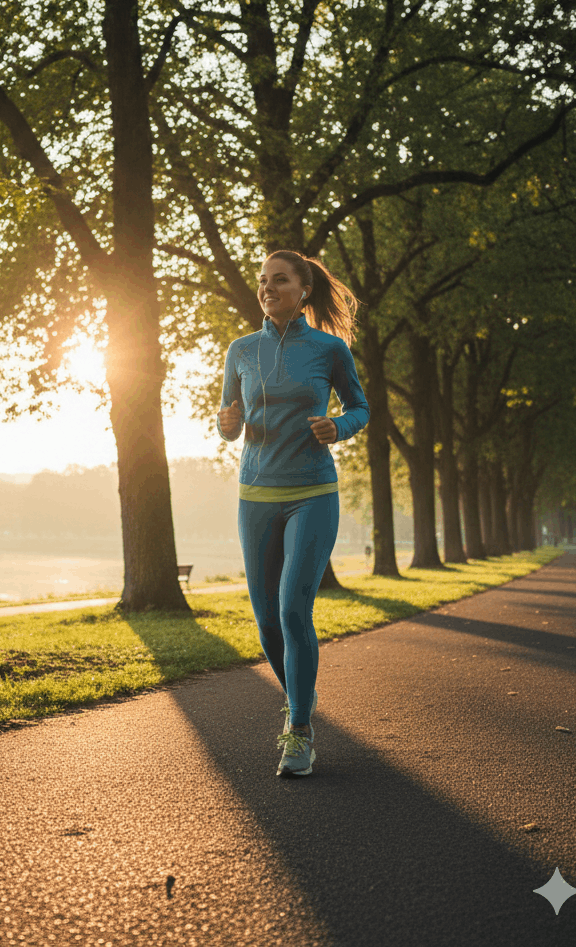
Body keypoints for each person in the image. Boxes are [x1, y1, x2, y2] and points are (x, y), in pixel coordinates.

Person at [216, 250, 369, 777]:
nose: (267, 287)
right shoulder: (240, 351)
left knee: (291, 610)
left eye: (278, 280)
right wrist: (229, 422)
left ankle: (298, 727)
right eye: (262, 281)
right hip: (255, 495)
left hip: (313, 493)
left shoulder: (329, 349)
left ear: (302, 290)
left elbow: (360, 407)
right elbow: (230, 423)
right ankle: (302, 695)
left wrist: (339, 428)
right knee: (266, 624)